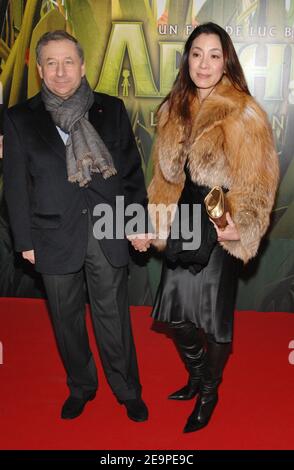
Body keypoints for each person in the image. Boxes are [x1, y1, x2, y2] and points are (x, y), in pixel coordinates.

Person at [3, 30, 151, 421]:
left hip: (107, 228)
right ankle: (81, 386)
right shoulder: (20, 118)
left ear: (82, 66)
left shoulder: (110, 109)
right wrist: (24, 241)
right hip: (51, 235)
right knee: (66, 319)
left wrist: (136, 224)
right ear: (39, 70)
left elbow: (132, 174)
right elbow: (16, 185)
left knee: (113, 316)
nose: (61, 71)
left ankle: (126, 389)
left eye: (68, 61)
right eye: (51, 62)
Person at [148, 22, 279, 433]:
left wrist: (244, 225)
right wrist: (154, 221)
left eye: (214, 55)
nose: (204, 64)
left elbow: (259, 179)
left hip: (221, 220)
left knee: (214, 321)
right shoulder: (173, 107)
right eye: (197, 54)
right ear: (187, 58)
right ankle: (201, 376)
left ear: (227, 62)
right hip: (183, 218)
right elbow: (164, 176)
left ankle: (208, 390)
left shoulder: (244, 110)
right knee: (173, 315)